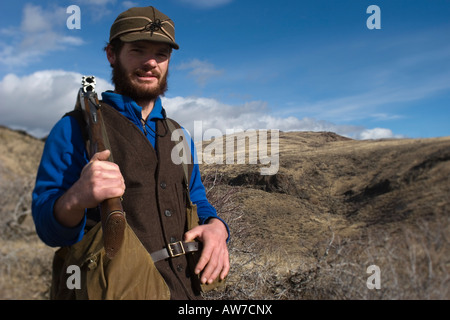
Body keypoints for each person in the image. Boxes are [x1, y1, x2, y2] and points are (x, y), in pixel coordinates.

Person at [32, 6, 230, 300]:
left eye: (161, 54)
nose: (151, 62)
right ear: (112, 54)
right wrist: (77, 197)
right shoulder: (75, 128)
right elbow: (50, 230)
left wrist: (216, 227)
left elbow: (197, 198)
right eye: (138, 50)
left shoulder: (179, 135)